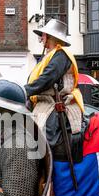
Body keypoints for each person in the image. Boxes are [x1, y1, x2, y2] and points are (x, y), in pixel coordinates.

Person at [23, 19, 84, 161]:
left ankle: (49, 170)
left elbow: (47, 79)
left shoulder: (61, 55)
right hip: (44, 102)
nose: (41, 38)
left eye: (43, 35)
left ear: (50, 37)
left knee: (43, 140)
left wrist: (23, 91)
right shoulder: (48, 56)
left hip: (54, 104)